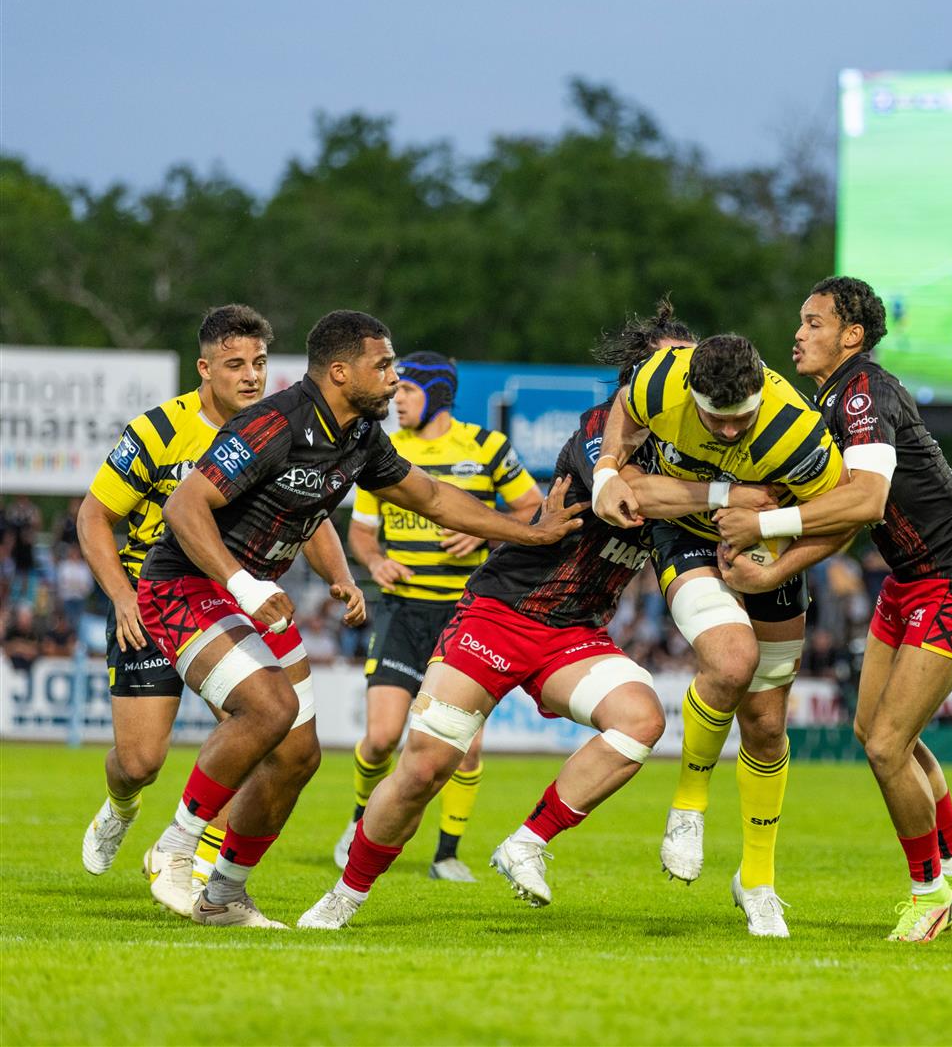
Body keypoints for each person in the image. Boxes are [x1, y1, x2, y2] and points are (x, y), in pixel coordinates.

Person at [298, 310, 775, 929]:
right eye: (669, 361)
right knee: (422, 767)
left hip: (575, 635)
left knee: (641, 719)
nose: (682, 375)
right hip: (502, 614)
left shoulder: (699, 450)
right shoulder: (604, 427)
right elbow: (630, 495)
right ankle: (346, 895)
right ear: (638, 372)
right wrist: (734, 498)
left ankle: (525, 843)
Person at [135, 309, 577, 929]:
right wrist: (242, 581)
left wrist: (528, 533)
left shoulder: (360, 436)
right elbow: (184, 506)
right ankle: (177, 849)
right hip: (186, 585)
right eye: (385, 365)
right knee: (268, 709)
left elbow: (430, 497)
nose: (395, 379)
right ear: (341, 372)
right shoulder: (275, 422)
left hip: (252, 598)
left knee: (298, 759)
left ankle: (223, 896)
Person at [715, 276, 952, 943]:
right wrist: (778, 571)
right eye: (801, 320)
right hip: (909, 583)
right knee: (874, 733)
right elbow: (845, 521)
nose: (798, 333)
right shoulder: (830, 400)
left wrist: (764, 531)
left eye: (814, 322)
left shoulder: (864, 392)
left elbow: (866, 502)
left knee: (885, 745)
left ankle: (929, 893)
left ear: (851, 335)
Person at [593, 326, 845, 938]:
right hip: (687, 539)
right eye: (715, 420)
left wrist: (774, 569)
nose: (730, 431)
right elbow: (626, 406)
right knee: (731, 661)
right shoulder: (661, 381)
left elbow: (842, 518)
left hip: (772, 551)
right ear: (691, 392)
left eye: (741, 419)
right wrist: (607, 468)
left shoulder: (800, 431)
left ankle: (757, 880)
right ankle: (688, 804)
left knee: (765, 724)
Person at [77, 305, 274, 891]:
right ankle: (120, 804)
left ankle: (189, 851)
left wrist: (340, 577)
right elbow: (93, 518)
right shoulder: (158, 431)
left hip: (223, 606)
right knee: (140, 763)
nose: (250, 377)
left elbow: (308, 520)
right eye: (235, 364)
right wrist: (121, 596)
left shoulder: (274, 433)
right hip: (151, 604)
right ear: (204, 368)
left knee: (260, 730)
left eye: (259, 364)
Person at [333, 351, 542, 883]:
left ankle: (446, 853)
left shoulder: (487, 448)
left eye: (406, 391)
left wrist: (483, 526)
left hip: (467, 616)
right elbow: (360, 530)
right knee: (381, 738)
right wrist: (376, 560)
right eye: (394, 390)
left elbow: (531, 510)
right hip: (402, 613)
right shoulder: (384, 449)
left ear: (437, 396)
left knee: (464, 746)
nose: (395, 399)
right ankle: (361, 826)